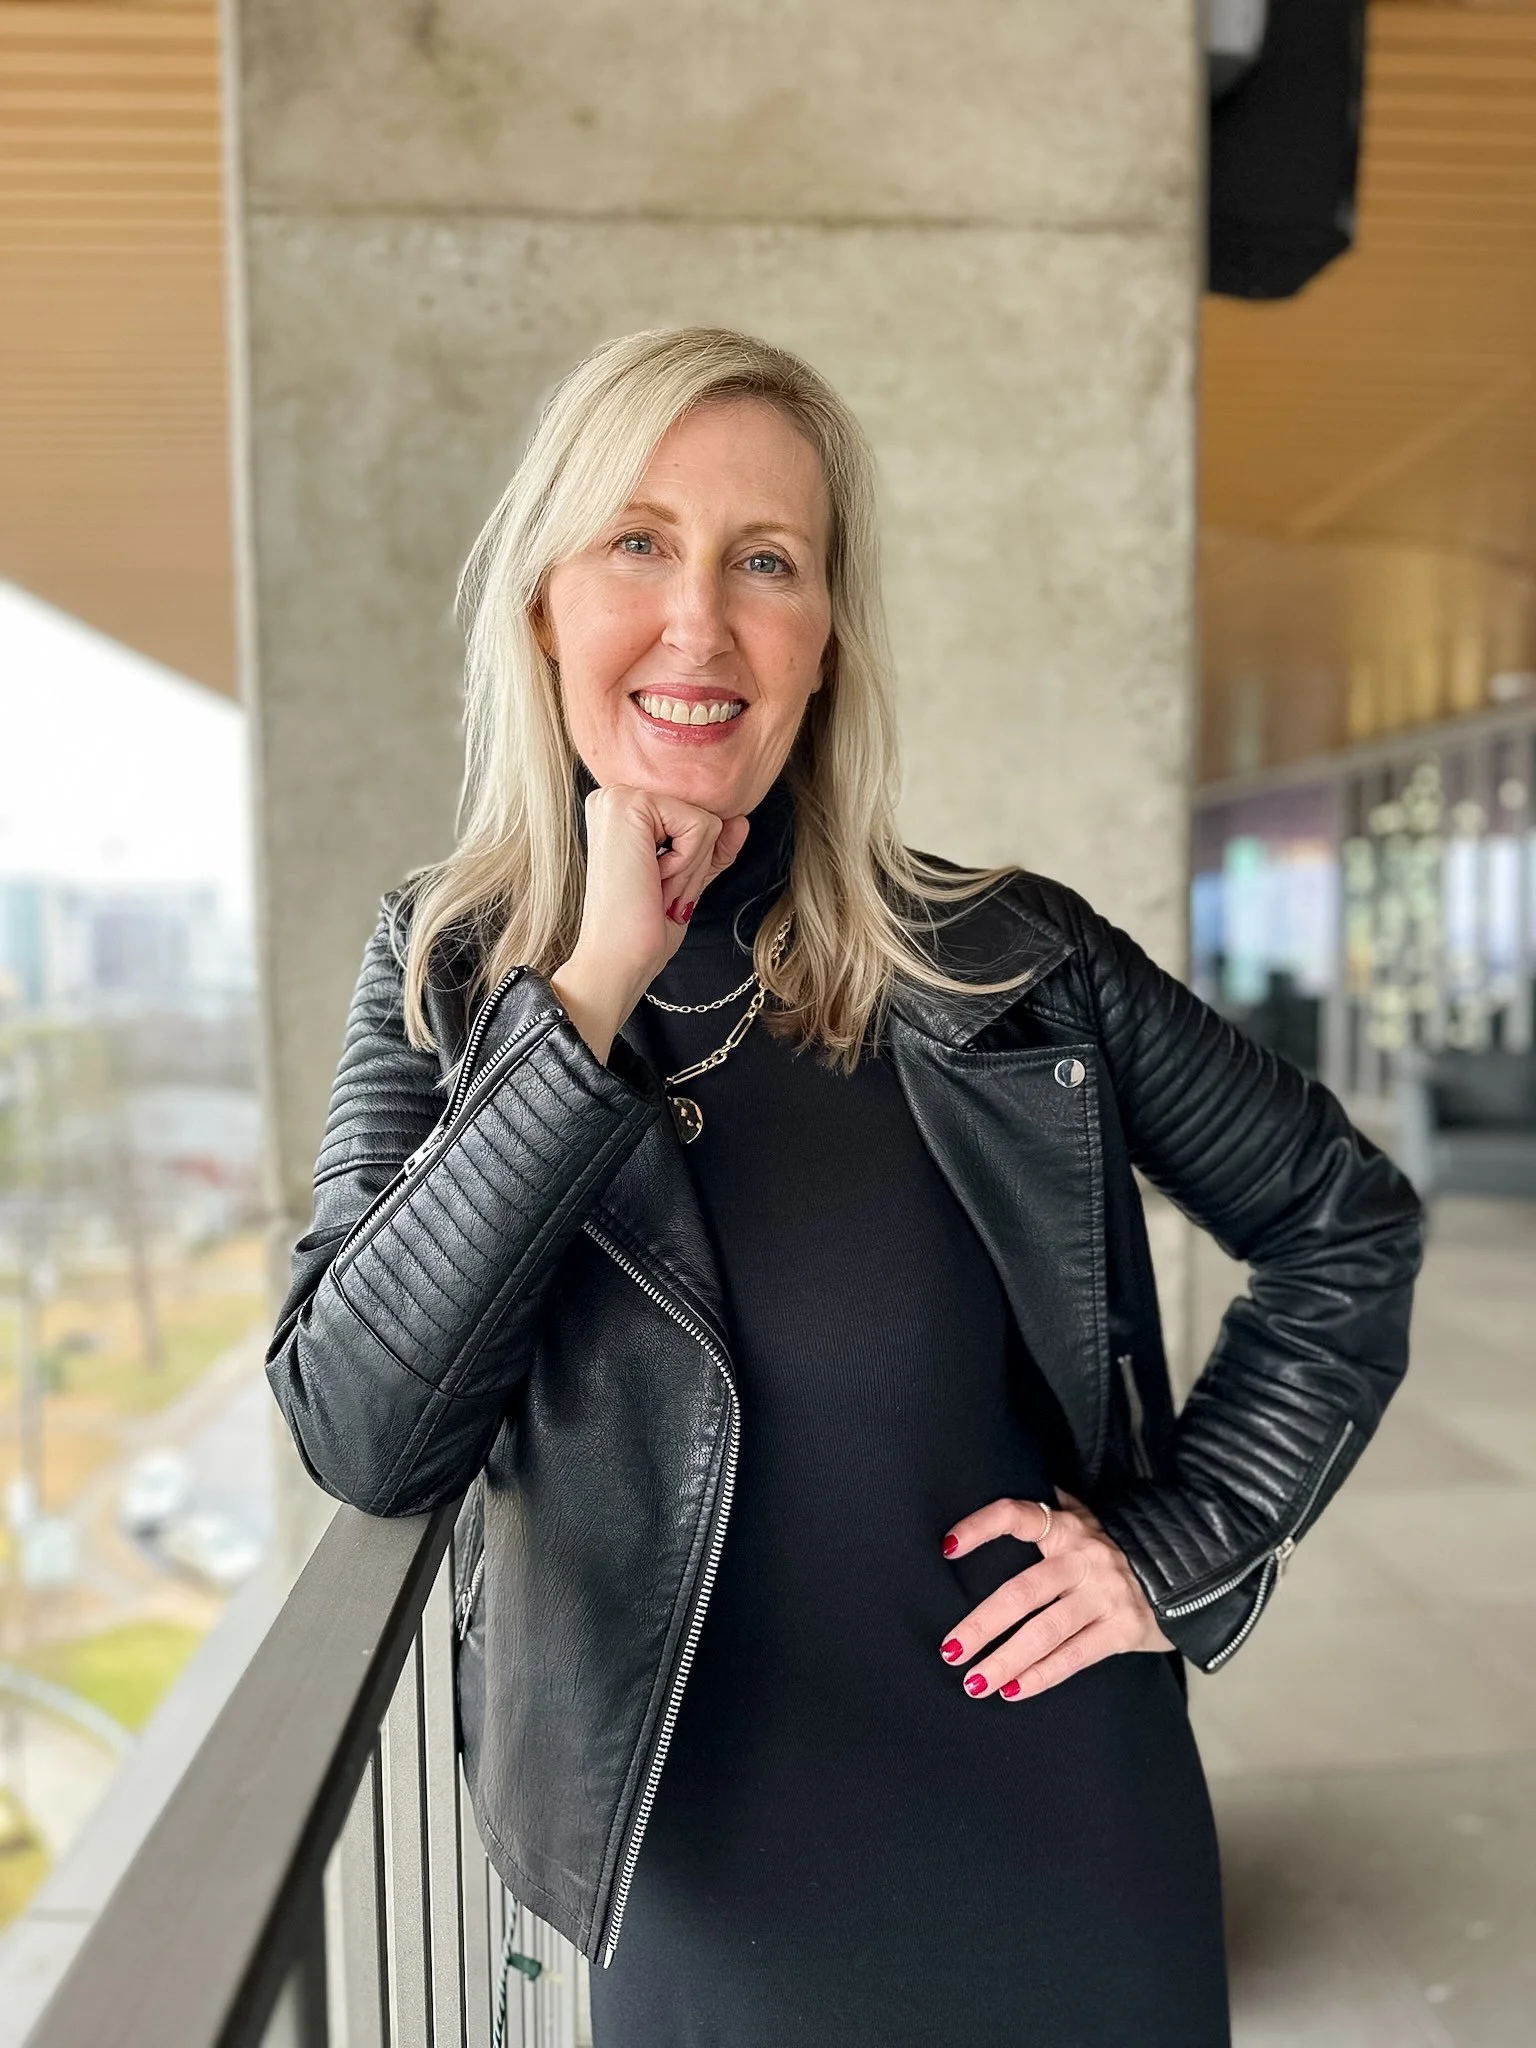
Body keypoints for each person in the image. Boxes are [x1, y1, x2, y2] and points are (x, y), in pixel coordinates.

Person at [266, 327, 1423, 2047]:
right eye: (638, 542)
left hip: (1064, 1847)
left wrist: (1181, 1547)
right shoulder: (444, 977)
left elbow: (1346, 1222)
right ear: (544, 608)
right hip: (698, 1884)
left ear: (823, 644)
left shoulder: (1008, 964)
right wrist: (589, 989)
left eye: (767, 562)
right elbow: (362, 1429)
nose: (699, 623)